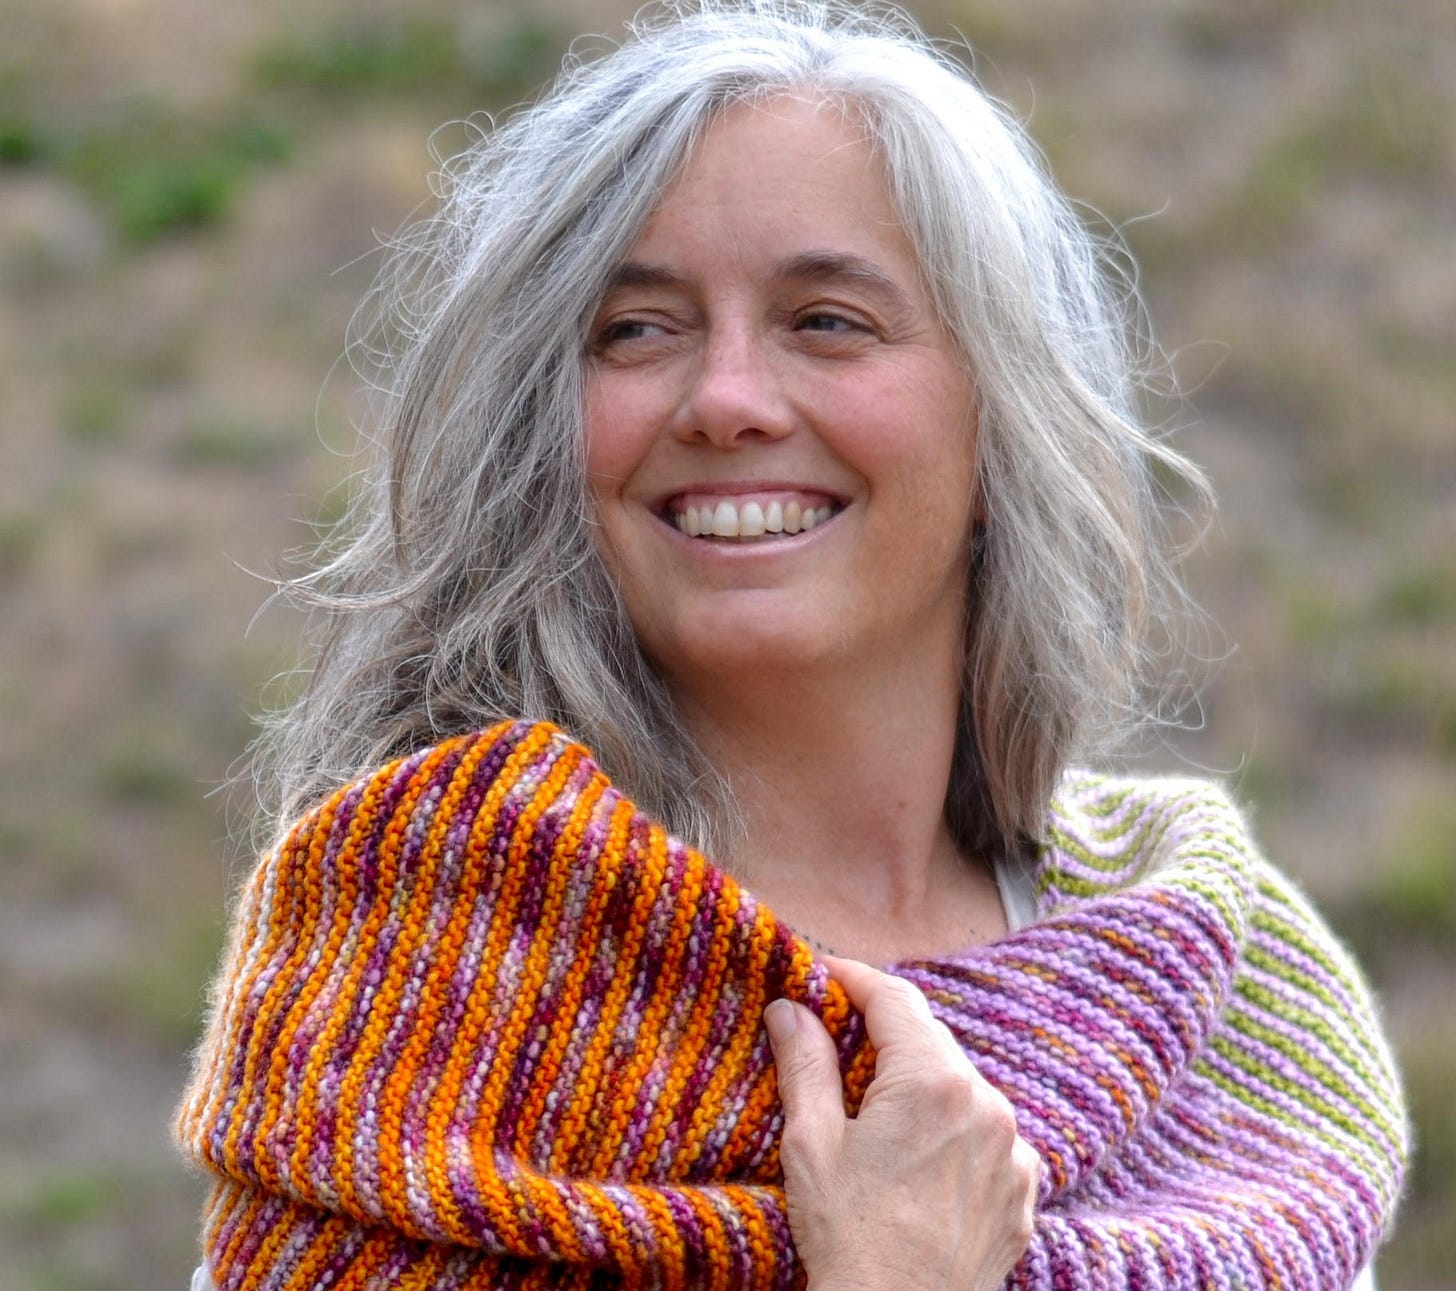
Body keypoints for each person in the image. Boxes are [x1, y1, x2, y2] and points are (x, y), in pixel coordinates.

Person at [176, 3, 1407, 1288]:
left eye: (827, 319)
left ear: (1006, 420)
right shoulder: (412, 995)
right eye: (635, 329)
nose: (725, 400)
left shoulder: (1211, 966)